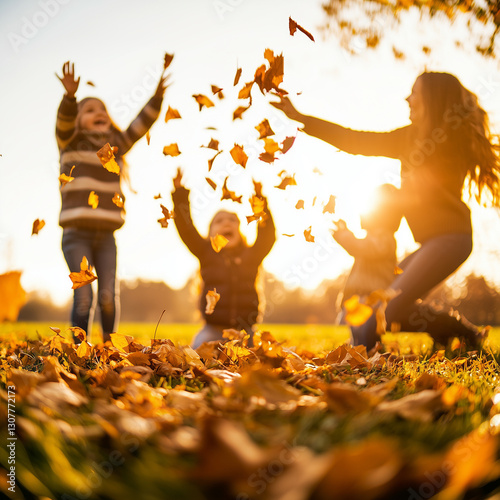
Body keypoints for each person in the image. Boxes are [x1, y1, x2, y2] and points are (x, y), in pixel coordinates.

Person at [271, 71, 500, 350]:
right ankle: (458, 333)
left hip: (452, 240)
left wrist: (394, 196)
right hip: (432, 243)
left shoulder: (452, 140)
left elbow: (426, 189)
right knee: (380, 301)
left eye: (414, 92)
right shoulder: (406, 138)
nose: (407, 98)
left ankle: (368, 353)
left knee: (384, 305)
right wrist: (302, 118)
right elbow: (354, 140)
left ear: (433, 100)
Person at [56, 61, 168, 343]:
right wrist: (70, 98)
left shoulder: (114, 146)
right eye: (89, 110)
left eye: (102, 109)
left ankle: (109, 347)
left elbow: (139, 126)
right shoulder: (70, 142)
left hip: (106, 236)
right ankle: (79, 349)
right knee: (84, 295)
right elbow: (64, 123)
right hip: (75, 235)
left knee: (107, 295)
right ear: (79, 120)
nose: (99, 113)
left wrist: (156, 99)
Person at [171, 169, 276, 348]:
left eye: (232, 220)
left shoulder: (251, 255)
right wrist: (180, 194)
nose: (227, 223)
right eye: (219, 221)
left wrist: (259, 200)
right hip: (214, 330)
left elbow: (267, 235)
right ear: (210, 233)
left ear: (240, 230)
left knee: (263, 355)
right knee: (198, 352)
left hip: (246, 332)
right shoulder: (206, 253)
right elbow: (186, 228)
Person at [333, 184, 403, 343]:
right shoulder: (371, 238)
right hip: (358, 298)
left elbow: (363, 248)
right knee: (357, 336)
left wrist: (344, 235)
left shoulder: (385, 238)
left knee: (366, 336)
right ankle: (361, 348)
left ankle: (369, 349)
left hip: (372, 299)